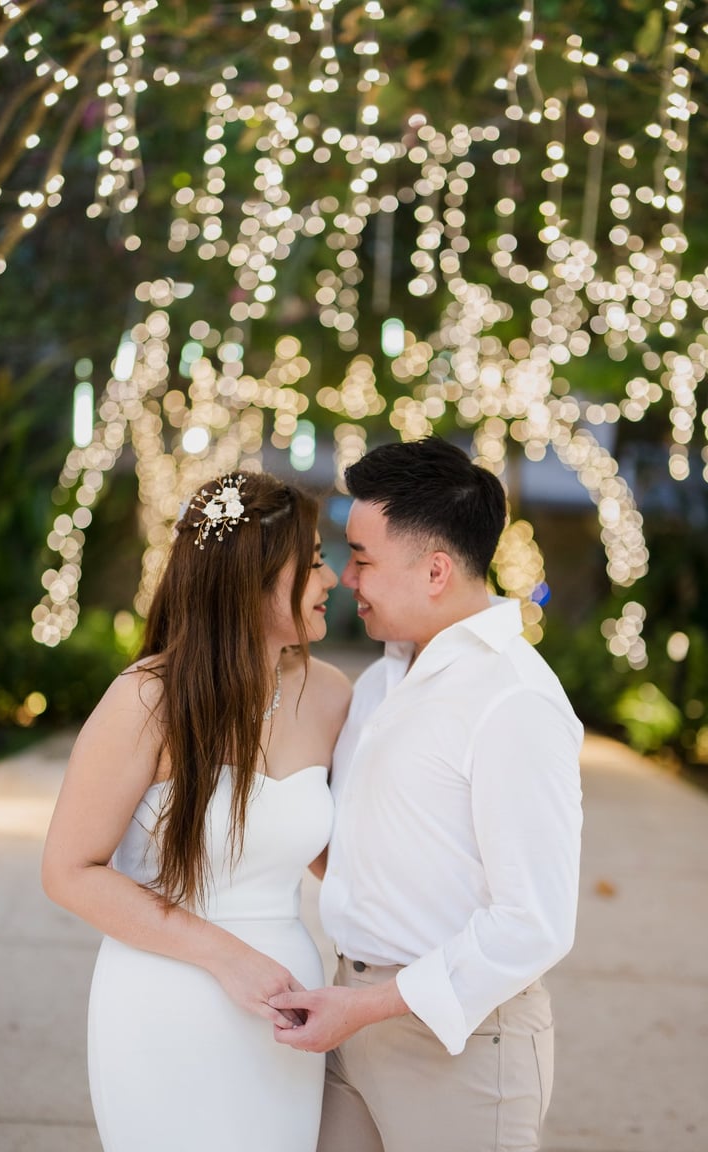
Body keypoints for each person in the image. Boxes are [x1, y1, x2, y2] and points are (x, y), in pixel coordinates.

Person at [272, 437, 584, 1152]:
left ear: (436, 569)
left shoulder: (514, 700)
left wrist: (367, 1007)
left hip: (464, 1050)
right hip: (349, 1022)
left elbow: (534, 922)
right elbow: (360, 850)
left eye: (364, 558)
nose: (348, 577)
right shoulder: (381, 682)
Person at [42, 471, 351, 1152]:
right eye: (317, 563)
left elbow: (345, 863)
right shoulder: (146, 700)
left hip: (284, 1009)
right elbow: (68, 870)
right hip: (163, 996)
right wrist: (225, 957)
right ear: (254, 578)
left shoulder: (331, 696)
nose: (333, 581)